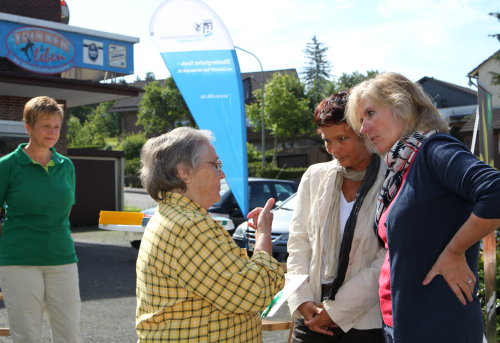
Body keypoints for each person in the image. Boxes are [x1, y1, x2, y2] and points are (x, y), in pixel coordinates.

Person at [345, 72, 500, 343]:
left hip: (438, 324)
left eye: (370, 113)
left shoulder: (434, 150)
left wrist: (454, 251)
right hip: (402, 322)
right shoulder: (401, 167)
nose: (363, 129)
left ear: (402, 107)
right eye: (360, 120)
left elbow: (495, 191)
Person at [135, 127, 285, 342]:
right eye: (215, 165)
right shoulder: (189, 226)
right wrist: (263, 234)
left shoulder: (176, 216)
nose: (222, 174)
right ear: (183, 171)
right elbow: (255, 293)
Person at [287, 91, 386, 343]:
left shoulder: (391, 177)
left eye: (342, 138)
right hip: (311, 314)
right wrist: (301, 299)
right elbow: (299, 242)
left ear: (364, 131)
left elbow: (388, 257)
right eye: (327, 140)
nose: (334, 149)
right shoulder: (314, 176)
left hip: (365, 320)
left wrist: (337, 311)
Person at [0, 96, 81, 342]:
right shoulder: (7, 165)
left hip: (62, 258)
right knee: (27, 334)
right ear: (28, 127)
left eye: (57, 126)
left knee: (69, 332)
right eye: (46, 125)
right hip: (19, 260)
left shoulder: (66, 165)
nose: (53, 132)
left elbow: (64, 213)